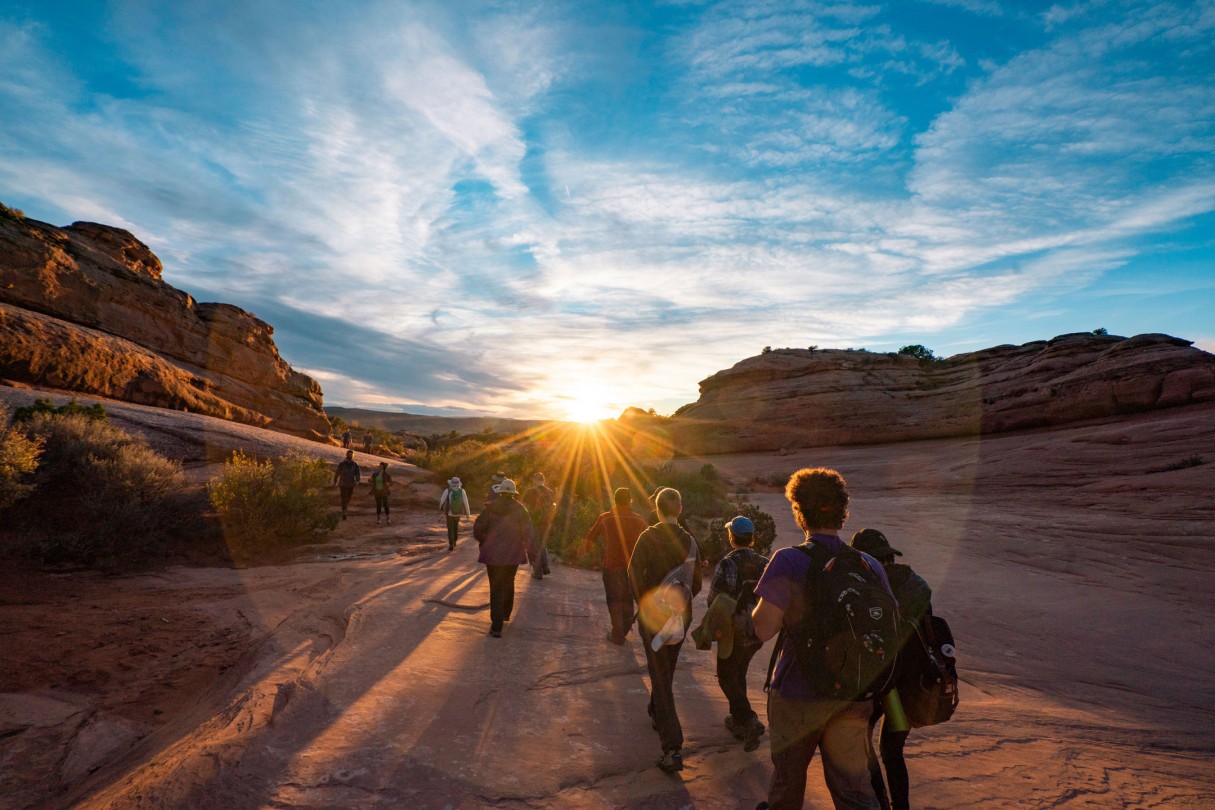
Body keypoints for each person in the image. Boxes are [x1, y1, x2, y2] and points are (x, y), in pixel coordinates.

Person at [751, 467, 892, 810]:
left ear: (799, 511)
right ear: (843, 512)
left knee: (788, 784)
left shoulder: (788, 560)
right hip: (853, 693)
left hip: (798, 694)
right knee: (855, 791)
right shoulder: (869, 564)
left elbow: (763, 629)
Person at [851, 528, 933, 810]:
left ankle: (880, 803)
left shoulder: (870, 589)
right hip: (911, 684)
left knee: (863, 742)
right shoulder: (915, 585)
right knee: (892, 749)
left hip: (883, 684)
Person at [628, 487, 702, 773]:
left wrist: (645, 604)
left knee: (660, 677)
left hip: (654, 619)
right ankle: (656, 712)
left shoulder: (647, 537)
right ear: (680, 509)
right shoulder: (691, 542)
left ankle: (672, 748)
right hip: (681, 618)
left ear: (657, 509)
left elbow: (633, 574)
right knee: (665, 669)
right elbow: (696, 583)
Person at [708, 515, 769, 752]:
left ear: (731, 537)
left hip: (734, 630)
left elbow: (714, 598)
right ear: (751, 538)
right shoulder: (764, 562)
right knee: (739, 672)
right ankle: (738, 721)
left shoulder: (727, 564)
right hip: (756, 630)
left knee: (726, 677)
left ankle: (749, 720)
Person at [583, 488, 648, 645]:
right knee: (627, 598)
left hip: (611, 567)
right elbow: (649, 543)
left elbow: (590, 537)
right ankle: (624, 629)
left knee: (614, 599)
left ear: (615, 500)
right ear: (630, 501)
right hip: (632, 568)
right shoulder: (640, 521)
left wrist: (588, 553)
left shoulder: (605, 518)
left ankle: (618, 634)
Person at [472, 478, 535, 638]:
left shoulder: (490, 508)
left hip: (492, 554)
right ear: (513, 493)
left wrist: (483, 541)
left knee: (496, 587)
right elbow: (528, 533)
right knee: (509, 581)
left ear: (500, 492)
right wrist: (532, 554)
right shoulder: (521, 509)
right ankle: (506, 614)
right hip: (513, 554)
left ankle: (496, 627)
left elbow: (477, 528)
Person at [522, 472, 556, 578]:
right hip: (546, 523)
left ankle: (537, 572)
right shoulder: (550, 492)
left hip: (533, 522)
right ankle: (545, 566)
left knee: (533, 546)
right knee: (542, 543)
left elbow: (524, 508)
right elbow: (553, 507)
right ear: (544, 480)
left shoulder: (530, 492)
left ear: (534, 480)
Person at [439, 476, 471, 551]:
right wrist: (468, 515)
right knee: (455, 527)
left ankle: (451, 544)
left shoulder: (448, 490)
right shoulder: (462, 491)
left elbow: (442, 501)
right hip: (458, 513)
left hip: (449, 514)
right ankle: (455, 541)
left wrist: (440, 508)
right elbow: (466, 503)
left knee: (450, 529)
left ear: (451, 483)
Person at [332, 450, 361, 520]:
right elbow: (337, 472)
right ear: (346, 455)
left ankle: (345, 508)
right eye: (349, 455)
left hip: (351, 484)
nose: (350, 456)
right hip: (343, 483)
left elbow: (357, 473)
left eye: (351, 455)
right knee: (344, 498)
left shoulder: (355, 464)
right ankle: (344, 511)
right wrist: (335, 481)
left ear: (353, 456)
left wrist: (357, 480)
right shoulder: (342, 464)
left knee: (348, 497)